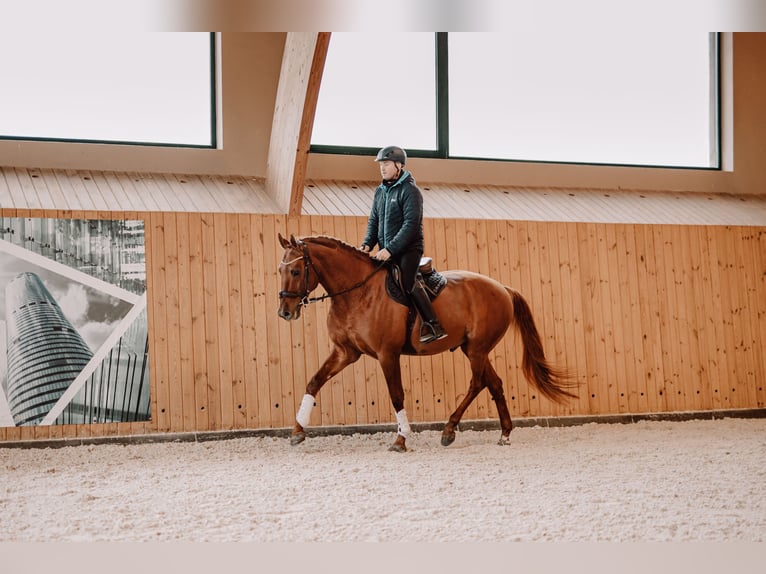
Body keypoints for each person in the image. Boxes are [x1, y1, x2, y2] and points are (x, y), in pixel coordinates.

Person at [361, 145, 447, 344]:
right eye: (381, 164)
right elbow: (374, 220)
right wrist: (367, 244)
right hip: (386, 250)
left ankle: (433, 324)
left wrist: (390, 249)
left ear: (399, 165)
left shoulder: (411, 191)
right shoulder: (380, 192)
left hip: (409, 249)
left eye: (387, 164)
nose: (382, 168)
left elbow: (411, 225)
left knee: (407, 282)